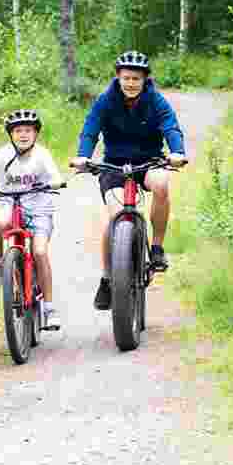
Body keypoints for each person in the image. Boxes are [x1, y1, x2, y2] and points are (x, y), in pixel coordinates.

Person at [69, 51, 188, 311]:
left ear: (145, 80)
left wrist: (177, 152)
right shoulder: (105, 100)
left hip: (149, 162)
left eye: (136, 78)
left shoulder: (156, 101)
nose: (131, 83)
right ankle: (108, 277)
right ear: (118, 77)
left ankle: (156, 248)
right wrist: (83, 157)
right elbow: (90, 129)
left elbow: (170, 126)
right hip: (113, 165)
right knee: (114, 218)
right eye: (126, 78)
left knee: (162, 184)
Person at [0, 109, 66, 327]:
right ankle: (2, 261)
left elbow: (55, 175)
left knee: (39, 252)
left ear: (36, 133)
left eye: (28, 130)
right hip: (10, 202)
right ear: (11, 134)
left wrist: (56, 181)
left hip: (39, 208)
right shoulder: (3, 154)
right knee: (0, 224)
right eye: (18, 131)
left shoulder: (42, 154)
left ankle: (49, 308)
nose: (23, 135)